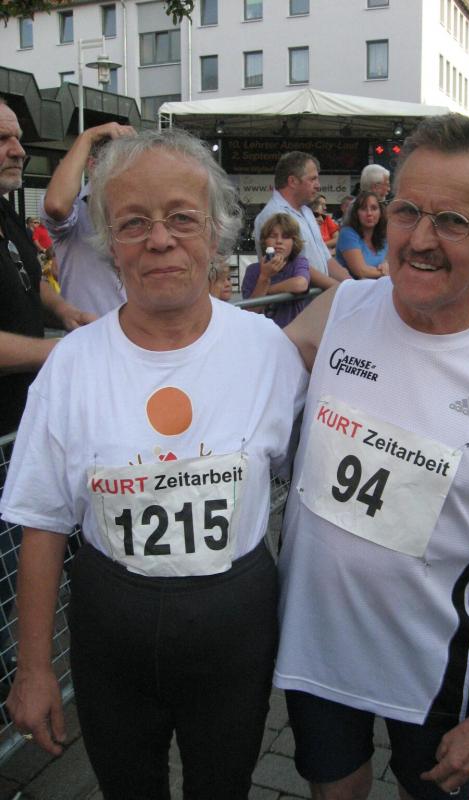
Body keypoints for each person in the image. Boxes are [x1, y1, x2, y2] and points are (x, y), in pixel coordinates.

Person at [1, 128, 307, 799]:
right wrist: (33, 670)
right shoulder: (71, 367)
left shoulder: (268, 351)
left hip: (237, 630)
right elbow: (42, 524)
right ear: (109, 243)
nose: (159, 240)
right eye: (134, 222)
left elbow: (302, 484)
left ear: (216, 231)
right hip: (110, 630)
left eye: (181, 218)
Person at [274, 113, 469, 800]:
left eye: (454, 222)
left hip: (435, 664)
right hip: (317, 642)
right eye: (407, 212)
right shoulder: (341, 311)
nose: (422, 240)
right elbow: (239, 390)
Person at [0, 98, 93, 687]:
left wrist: (63, 311)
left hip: (20, 429)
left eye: (15, 138)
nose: (18, 151)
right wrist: (55, 352)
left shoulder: (6, 213)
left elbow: (30, 281)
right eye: (3, 140)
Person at [41, 122, 132, 317]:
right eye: (118, 164)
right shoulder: (76, 212)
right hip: (90, 331)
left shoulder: (143, 215)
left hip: (141, 332)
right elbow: (56, 205)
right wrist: (88, 136)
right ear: (92, 165)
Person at [253, 151, 349, 290]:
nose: (318, 185)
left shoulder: (307, 212)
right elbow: (296, 266)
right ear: (292, 181)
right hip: (295, 302)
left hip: (318, 296)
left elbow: (326, 258)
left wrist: (352, 284)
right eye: (313, 179)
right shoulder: (273, 214)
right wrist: (339, 288)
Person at [243, 213, 310, 328]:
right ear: (265, 241)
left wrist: (267, 290)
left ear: (294, 242)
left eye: (285, 236)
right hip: (262, 333)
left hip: (290, 332)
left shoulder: (298, 262)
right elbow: (250, 312)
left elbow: (300, 284)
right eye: (273, 236)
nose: (279, 241)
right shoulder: (253, 270)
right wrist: (264, 276)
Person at [335, 190, 388, 279]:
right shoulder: (347, 233)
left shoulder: (384, 235)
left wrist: (387, 265)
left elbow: (393, 263)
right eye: (363, 209)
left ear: (381, 213)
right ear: (356, 213)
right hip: (352, 286)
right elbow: (360, 271)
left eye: (374, 208)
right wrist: (388, 273)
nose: (369, 213)